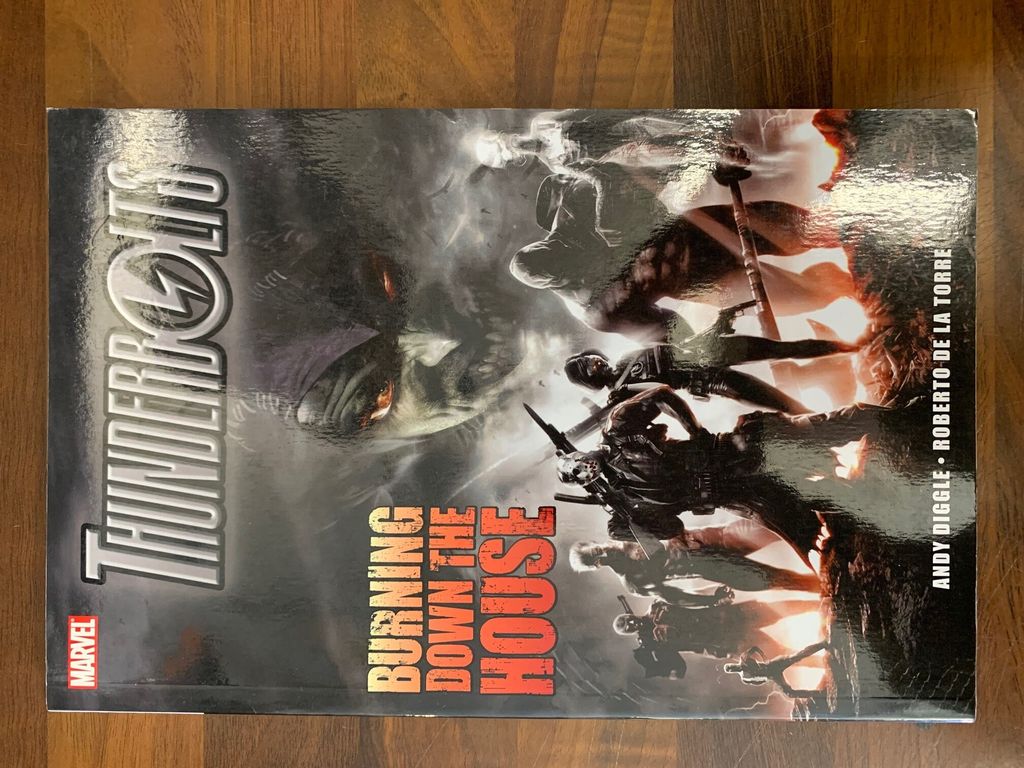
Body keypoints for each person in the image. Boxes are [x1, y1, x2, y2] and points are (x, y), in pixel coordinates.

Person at [555, 384, 897, 559]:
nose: (585, 470)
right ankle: (890, 504)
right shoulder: (627, 499)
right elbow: (673, 528)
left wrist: (695, 431)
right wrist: (629, 524)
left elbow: (662, 396)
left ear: (578, 453)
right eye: (580, 476)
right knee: (814, 513)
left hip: (731, 452)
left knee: (825, 429)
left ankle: (902, 419)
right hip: (735, 496)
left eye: (578, 465)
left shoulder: (618, 430)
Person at [569, 530, 821, 599]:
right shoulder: (632, 582)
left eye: (597, 549)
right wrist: (711, 600)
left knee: (774, 527)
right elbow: (675, 597)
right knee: (781, 580)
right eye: (597, 558)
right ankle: (828, 587)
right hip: (713, 566)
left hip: (713, 538)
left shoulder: (623, 529)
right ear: (597, 566)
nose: (603, 552)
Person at [615, 597, 815, 678]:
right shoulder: (654, 645)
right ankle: (823, 661)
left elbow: (690, 598)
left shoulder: (658, 605)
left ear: (629, 614)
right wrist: (653, 664)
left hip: (728, 616)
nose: (631, 624)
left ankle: (825, 602)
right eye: (627, 628)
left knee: (779, 608)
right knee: (782, 656)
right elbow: (678, 670)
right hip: (729, 643)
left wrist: (715, 598)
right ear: (629, 633)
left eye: (626, 620)